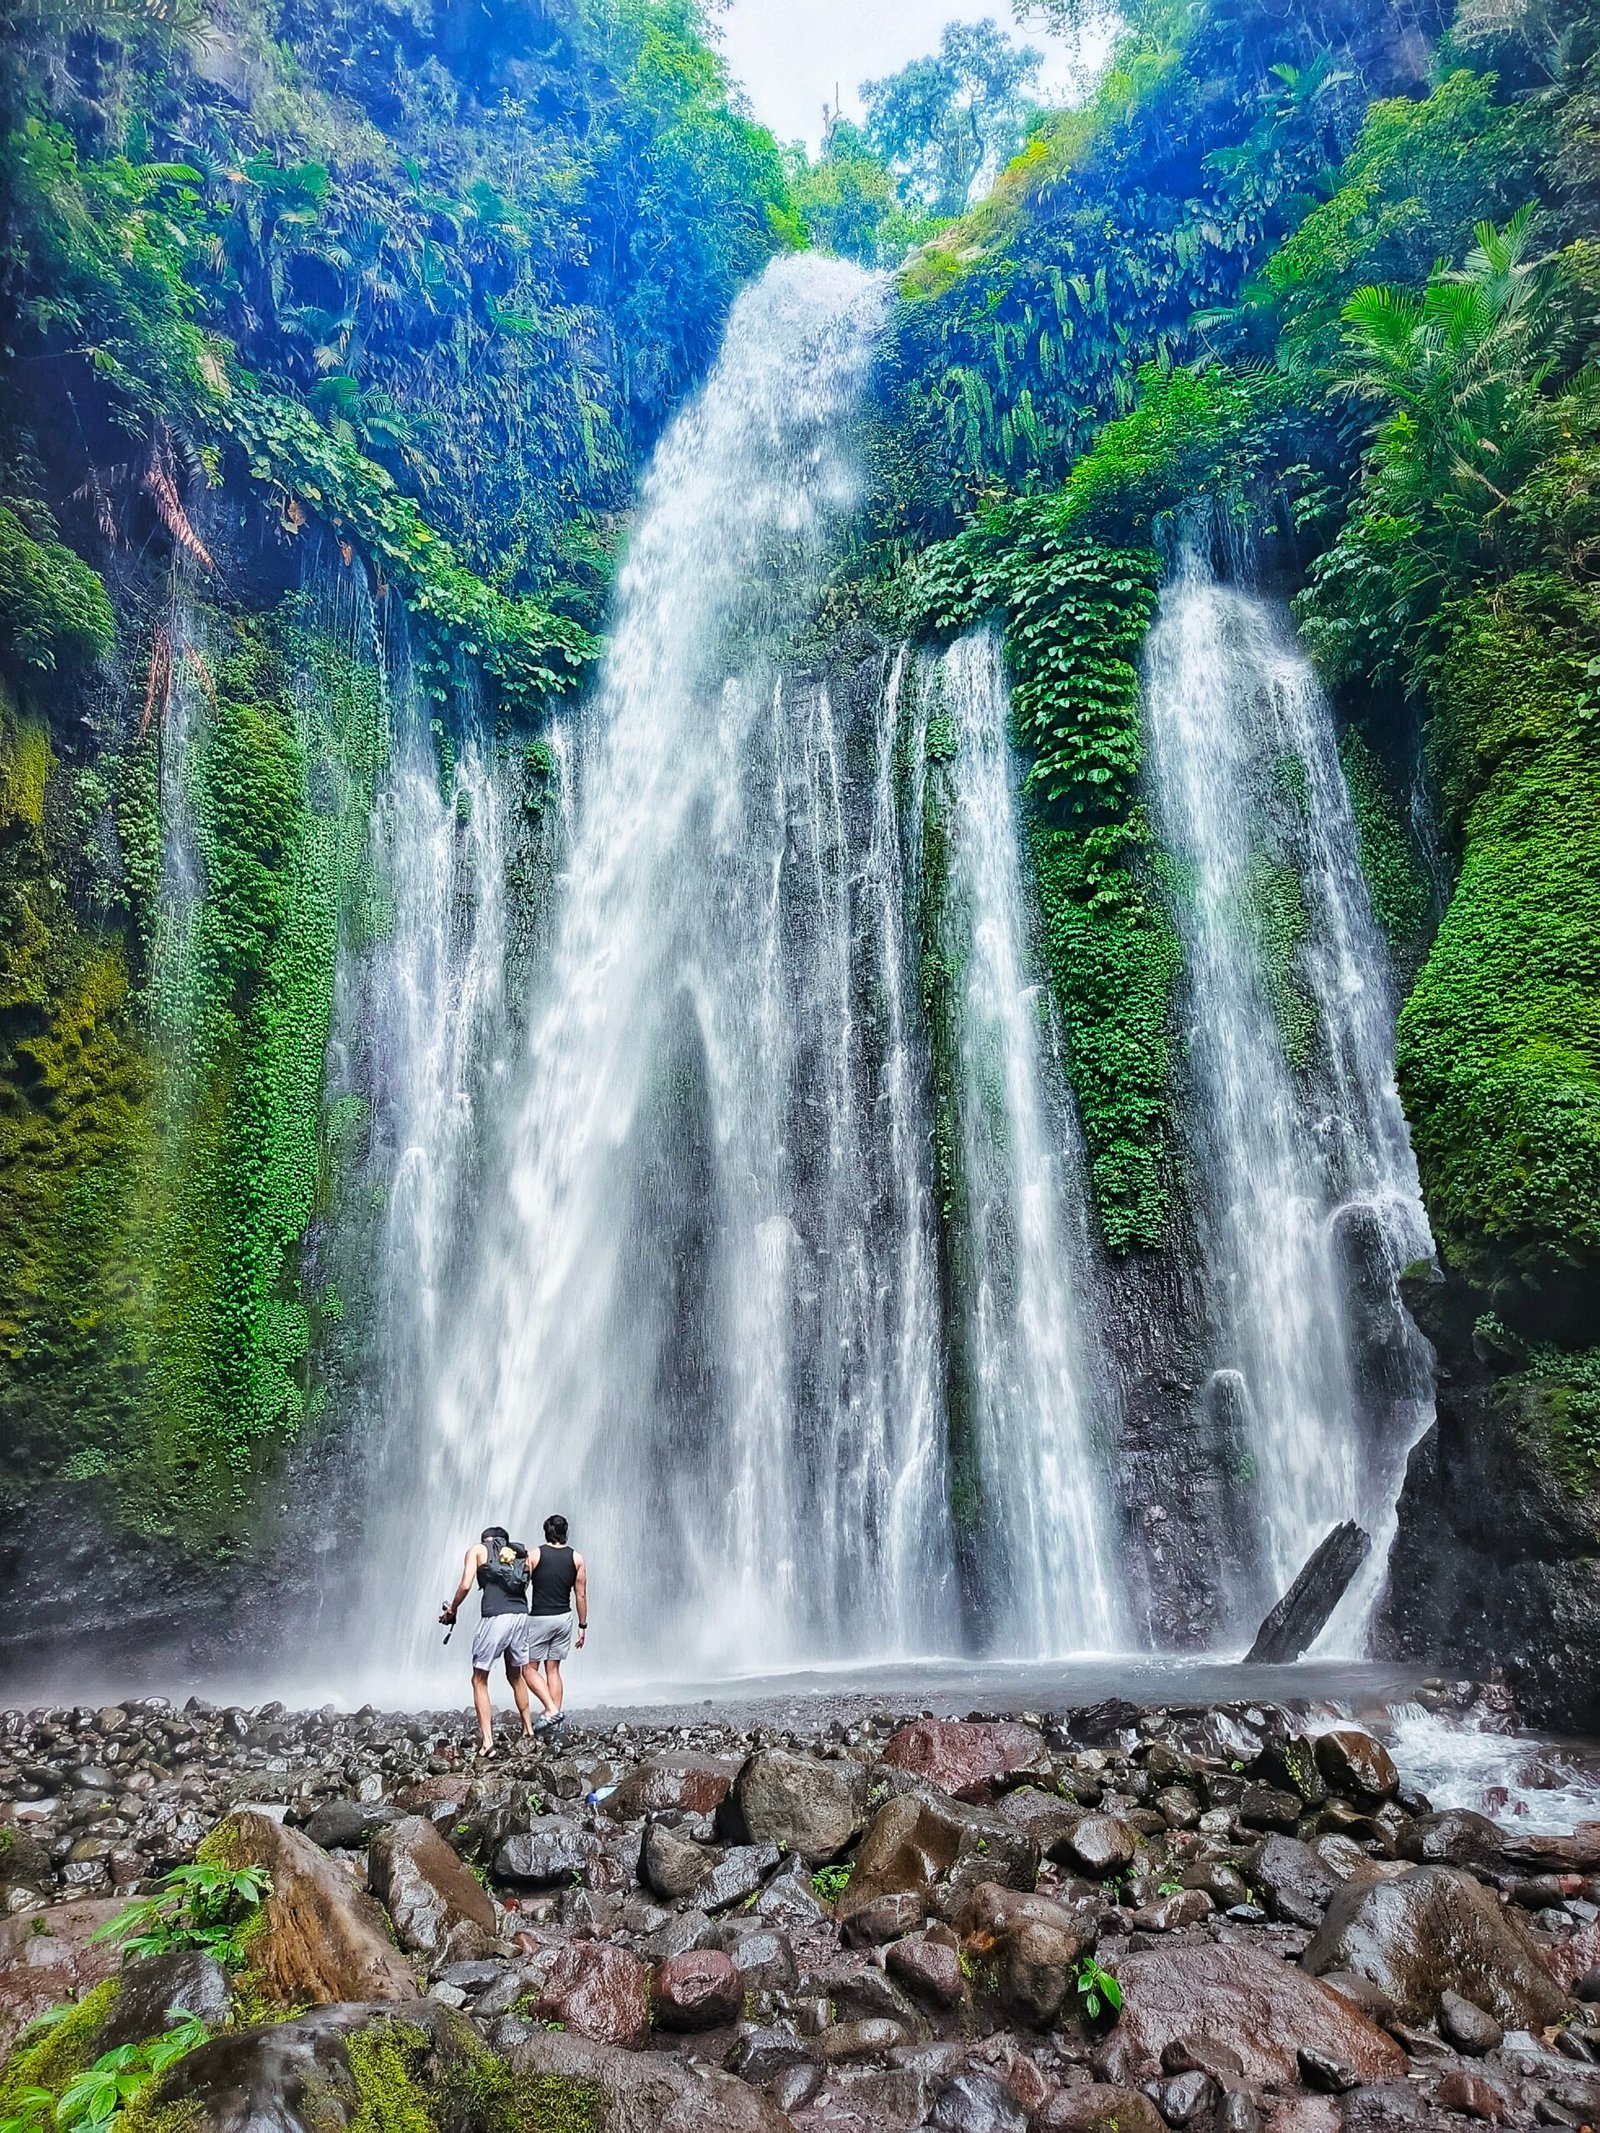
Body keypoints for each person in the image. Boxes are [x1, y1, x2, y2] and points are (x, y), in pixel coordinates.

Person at [439, 1525, 557, 1756]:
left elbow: (465, 1584)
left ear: (485, 1540)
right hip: (521, 1616)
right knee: (516, 1675)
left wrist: (452, 1609)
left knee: (479, 1679)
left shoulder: (477, 1550)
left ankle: (488, 1743)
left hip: (495, 1617)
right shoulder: (518, 1555)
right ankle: (528, 1729)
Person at [522, 1514, 587, 1725]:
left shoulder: (534, 1555)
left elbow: (520, 1586)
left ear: (546, 1531)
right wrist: (582, 1625)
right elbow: (581, 1595)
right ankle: (554, 1718)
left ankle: (550, 1709)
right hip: (564, 1618)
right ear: (565, 1532)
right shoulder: (576, 1558)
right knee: (554, 1669)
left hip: (540, 1616)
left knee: (529, 1668)